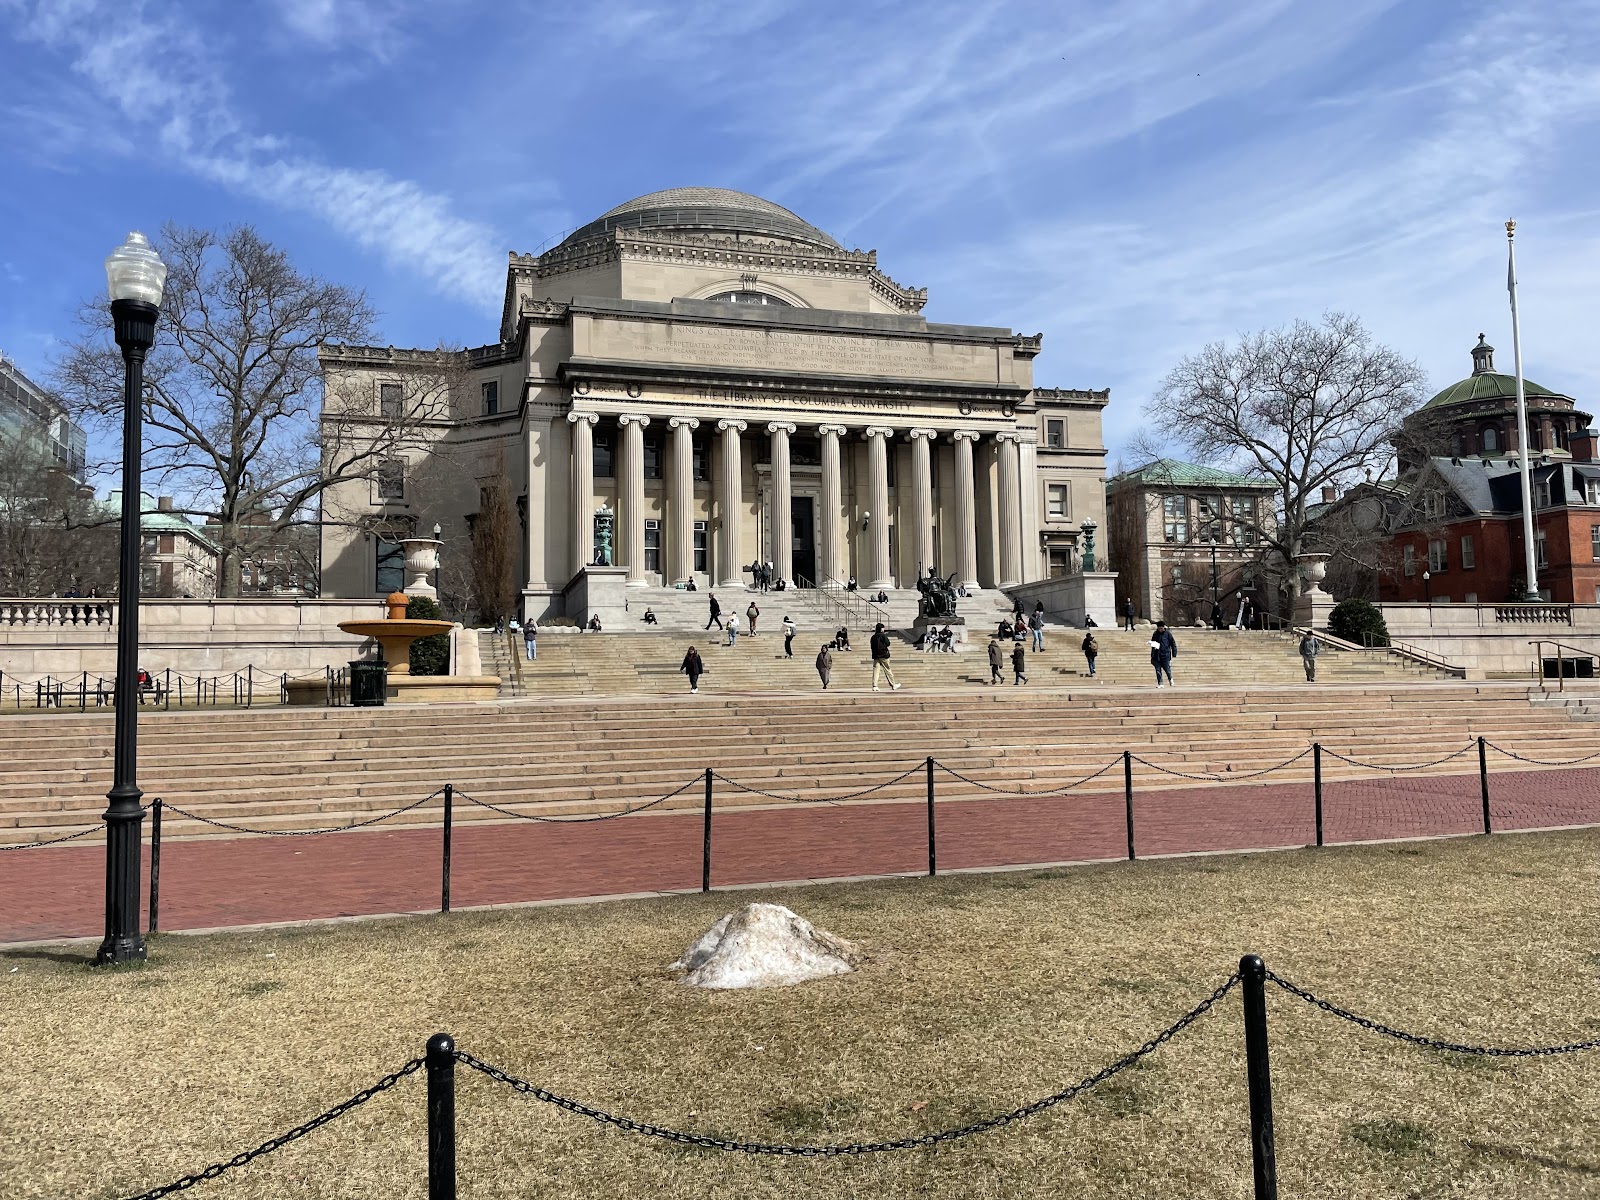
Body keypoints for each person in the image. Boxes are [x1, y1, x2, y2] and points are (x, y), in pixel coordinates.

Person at [869, 622, 900, 691]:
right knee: (887, 669)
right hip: (883, 655)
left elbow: (871, 646)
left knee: (876, 671)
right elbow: (888, 643)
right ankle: (893, 684)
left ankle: (875, 686)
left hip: (876, 656)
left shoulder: (873, 637)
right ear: (881, 629)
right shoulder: (883, 635)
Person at [1150, 620, 1177, 687]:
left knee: (1167, 670)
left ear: (1164, 627)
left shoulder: (1168, 634)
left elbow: (1172, 643)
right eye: (1159, 628)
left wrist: (1174, 653)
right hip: (1157, 655)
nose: (1160, 630)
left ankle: (1170, 679)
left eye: (1161, 628)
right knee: (1158, 670)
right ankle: (1160, 683)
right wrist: (1152, 655)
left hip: (1165, 655)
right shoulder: (1155, 634)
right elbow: (1153, 645)